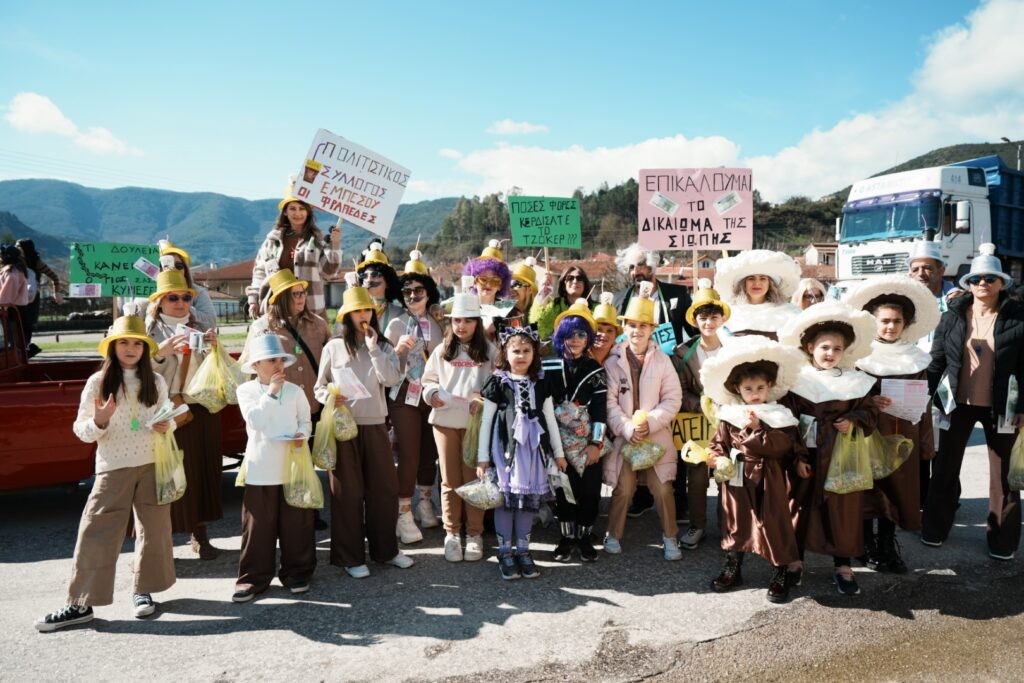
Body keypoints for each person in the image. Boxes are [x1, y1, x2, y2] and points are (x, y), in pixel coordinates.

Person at [35, 315, 174, 631]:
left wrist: (168, 424)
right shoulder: (97, 384)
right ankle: (80, 603)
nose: (130, 348)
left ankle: (143, 590)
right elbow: (82, 431)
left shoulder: (158, 382)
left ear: (144, 347)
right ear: (112, 347)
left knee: (154, 532)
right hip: (113, 467)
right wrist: (98, 421)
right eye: (123, 342)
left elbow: (169, 419)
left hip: (152, 464)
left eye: (137, 343)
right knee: (95, 531)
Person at [922, 244, 1024, 561]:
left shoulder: (1018, 319)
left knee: (1004, 477)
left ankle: (1002, 540)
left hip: (1002, 406)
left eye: (990, 278)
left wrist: (1022, 407)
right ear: (969, 283)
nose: (983, 283)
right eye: (977, 278)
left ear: (1001, 283)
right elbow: (937, 361)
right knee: (945, 468)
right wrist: (925, 398)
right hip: (955, 403)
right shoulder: (951, 317)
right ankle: (935, 529)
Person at [313, 272, 413, 578]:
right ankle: (350, 557)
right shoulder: (332, 348)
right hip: (343, 426)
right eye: (357, 311)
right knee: (348, 493)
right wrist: (332, 398)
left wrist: (374, 349)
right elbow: (319, 387)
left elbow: (392, 379)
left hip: (375, 425)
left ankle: (387, 551)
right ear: (346, 316)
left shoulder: (382, 346)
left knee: (384, 489)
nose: (363, 316)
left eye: (367, 310)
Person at [780, 302, 878, 596]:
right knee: (799, 507)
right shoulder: (798, 383)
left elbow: (870, 413)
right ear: (810, 347)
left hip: (840, 456)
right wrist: (797, 456)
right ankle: (794, 562)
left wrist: (854, 420)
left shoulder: (854, 382)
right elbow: (788, 423)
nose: (830, 354)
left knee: (842, 511)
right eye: (824, 347)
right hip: (807, 456)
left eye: (837, 349)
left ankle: (843, 564)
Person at [700, 337, 808, 603]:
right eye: (748, 388)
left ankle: (780, 569)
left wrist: (757, 427)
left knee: (774, 523)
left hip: (770, 477)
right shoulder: (730, 415)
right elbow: (718, 443)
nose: (755, 392)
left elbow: (781, 447)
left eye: (760, 386)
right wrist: (715, 457)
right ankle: (733, 565)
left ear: (769, 386)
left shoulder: (779, 415)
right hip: (737, 476)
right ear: (738, 389)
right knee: (736, 521)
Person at [846, 275, 939, 573]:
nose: (890, 326)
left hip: (903, 435)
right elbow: (844, 396)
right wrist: (869, 402)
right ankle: (864, 545)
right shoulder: (858, 356)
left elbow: (923, 404)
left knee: (897, 491)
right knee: (866, 488)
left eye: (896, 321)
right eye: (884, 320)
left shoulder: (915, 360)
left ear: (905, 323)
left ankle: (886, 543)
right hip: (867, 433)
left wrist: (926, 445)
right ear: (873, 321)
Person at [243, 268, 332, 531]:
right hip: (278, 405)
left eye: (302, 292)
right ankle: (283, 513)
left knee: (305, 458)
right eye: (294, 294)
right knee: (279, 462)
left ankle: (308, 509)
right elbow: (252, 366)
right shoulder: (261, 327)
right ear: (280, 298)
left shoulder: (318, 323)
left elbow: (332, 360)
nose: (301, 297)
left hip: (313, 403)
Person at [476, 323, 566, 580]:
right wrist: (483, 458)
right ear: (505, 353)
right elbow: (487, 421)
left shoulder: (541, 382)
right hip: (506, 451)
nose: (522, 355)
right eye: (516, 350)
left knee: (527, 504)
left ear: (534, 354)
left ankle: (524, 551)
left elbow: (549, 419)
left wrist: (558, 453)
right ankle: (505, 553)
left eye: (527, 350)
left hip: (533, 452)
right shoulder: (498, 382)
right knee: (506, 502)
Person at [603, 281, 684, 560]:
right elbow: (610, 402)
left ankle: (670, 536)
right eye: (632, 325)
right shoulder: (613, 362)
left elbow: (673, 399)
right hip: (626, 436)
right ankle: (613, 534)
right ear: (624, 327)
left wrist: (650, 423)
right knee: (623, 489)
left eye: (643, 326)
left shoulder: (662, 361)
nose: (637, 331)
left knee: (662, 488)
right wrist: (626, 428)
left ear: (652, 330)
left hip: (655, 435)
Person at [146, 270, 223, 559]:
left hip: (199, 409)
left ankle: (199, 534)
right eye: (173, 297)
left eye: (186, 297)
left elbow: (212, 372)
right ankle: (161, 542)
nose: (180, 303)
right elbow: (134, 374)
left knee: (200, 472)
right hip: (165, 412)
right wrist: (159, 353)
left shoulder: (200, 328)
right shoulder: (149, 332)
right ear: (160, 302)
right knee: (167, 476)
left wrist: (214, 350)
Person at [232, 333, 315, 603]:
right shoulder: (246, 391)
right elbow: (255, 420)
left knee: (297, 523)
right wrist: (271, 392)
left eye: (280, 358)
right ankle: (253, 578)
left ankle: (297, 572)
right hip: (260, 467)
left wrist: (302, 435)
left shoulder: (296, 391)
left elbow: (305, 420)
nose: (278, 364)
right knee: (258, 527)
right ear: (256, 366)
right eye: (270, 360)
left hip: (292, 465)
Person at [421, 276, 496, 562]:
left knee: (473, 481)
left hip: (475, 425)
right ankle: (452, 533)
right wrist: (431, 395)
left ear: (477, 322)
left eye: (467, 321)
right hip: (444, 422)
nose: (461, 326)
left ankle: (475, 534)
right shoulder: (442, 350)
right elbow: (428, 380)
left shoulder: (489, 351)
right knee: (451, 481)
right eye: (456, 321)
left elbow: (494, 385)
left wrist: (483, 398)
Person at [613, 244, 692, 518]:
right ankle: (643, 496)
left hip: (670, 373)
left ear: (654, 267)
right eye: (634, 267)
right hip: (632, 374)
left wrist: (682, 357)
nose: (639, 272)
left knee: (670, 437)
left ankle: (678, 499)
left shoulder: (677, 294)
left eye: (644, 266)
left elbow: (692, 335)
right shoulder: (619, 298)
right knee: (638, 429)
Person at [385, 250, 444, 544]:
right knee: (408, 452)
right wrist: (398, 351)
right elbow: (384, 366)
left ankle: (424, 502)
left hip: (430, 394)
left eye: (418, 290)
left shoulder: (438, 322)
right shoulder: (395, 324)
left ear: (428, 290)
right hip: (402, 395)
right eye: (406, 291)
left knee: (429, 452)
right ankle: (403, 512)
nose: (412, 295)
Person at [546, 299, 608, 563]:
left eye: (581, 334)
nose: (575, 339)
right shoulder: (548, 366)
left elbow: (600, 411)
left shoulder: (596, 370)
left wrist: (596, 444)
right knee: (562, 491)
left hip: (586, 444)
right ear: (560, 337)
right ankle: (566, 538)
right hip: (558, 443)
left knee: (590, 491)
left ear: (589, 338)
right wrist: (552, 447)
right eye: (569, 334)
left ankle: (585, 537)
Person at [672, 282, 730, 550]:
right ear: (694, 320)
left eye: (713, 316)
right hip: (696, 423)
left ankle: (729, 528)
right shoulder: (683, 352)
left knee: (727, 475)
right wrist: (703, 404)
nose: (708, 322)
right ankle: (697, 526)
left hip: (730, 422)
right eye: (703, 317)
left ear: (722, 318)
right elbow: (678, 390)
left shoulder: (735, 348)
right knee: (695, 477)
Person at [907, 240, 959, 505]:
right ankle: (920, 497)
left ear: (941, 269)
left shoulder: (958, 298)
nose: (921, 274)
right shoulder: (905, 300)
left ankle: (945, 500)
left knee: (944, 444)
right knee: (917, 441)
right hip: (914, 379)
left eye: (927, 268)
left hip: (946, 381)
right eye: (915, 269)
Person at [247, 186, 342, 320]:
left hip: (311, 311)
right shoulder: (272, 240)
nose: (297, 213)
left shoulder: (317, 240)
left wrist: (335, 244)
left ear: (308, 212)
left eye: (302, 208)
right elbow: (259, 272)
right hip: (277, 309)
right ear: (285, 212)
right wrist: (253, 299)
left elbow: (330, 271)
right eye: (292, 208)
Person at [612, 243, 693, 346]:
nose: (636, 272)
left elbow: (695, 333)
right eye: (632, 267)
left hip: (668, 359)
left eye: (641, 264)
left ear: (652, 266)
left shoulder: (677, 294)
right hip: (628, 360)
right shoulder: (618, 300)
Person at [714, 249, 802, 339]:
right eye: (751, 278)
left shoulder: (790, 312)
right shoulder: (729, 312)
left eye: (762, 278)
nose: (757, 283)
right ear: (743, 283)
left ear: (770, 283)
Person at [14, 239, 63, 356]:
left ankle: (25, 350)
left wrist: (56, 293)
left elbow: (54, 277)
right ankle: (18, 352)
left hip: (32, 298)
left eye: (18, 246)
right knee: (16, 324)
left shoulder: (36, 262)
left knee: (27, 325)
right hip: (17, 298)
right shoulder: (14, 262)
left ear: (25, 249)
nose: (16, 248)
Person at [157, 240, 217, 330]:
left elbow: (211, 323)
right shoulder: (143, 293)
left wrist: (184, 307)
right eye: (165, 265)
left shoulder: (198, 292)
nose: (173, 269)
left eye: (179, 266)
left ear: (185, 269)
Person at [462, 239, 512, 340]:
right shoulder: (463, 308)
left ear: (500, 285)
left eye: (495, 281)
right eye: (483, 279)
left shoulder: (510, 312)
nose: (488, 284)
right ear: (474, 282)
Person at [531, 264, 592, 341]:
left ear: (585, 284)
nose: (575, 281)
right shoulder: (554, 306)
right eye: (570, 278)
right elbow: (537, 328)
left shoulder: (596, 308)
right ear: (564, 284)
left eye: (579, 278)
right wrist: (543, 293)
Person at [357, 240, 405, 331]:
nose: (369, 279)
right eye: (365, 276)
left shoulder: (398, 313)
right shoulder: (355, 311)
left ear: (387, 282)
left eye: (375, 275)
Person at [589, 292, 620, 367]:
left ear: (616, 335)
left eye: (609, 331)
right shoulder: (579, 356)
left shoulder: (622, 360)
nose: (603, 334)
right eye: (598, 329)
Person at [508, 257, 539, 327]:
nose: (511, 289)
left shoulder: (537, 315)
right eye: (509, 284)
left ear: (530, 290)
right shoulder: (502, 311)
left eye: (516, 284)